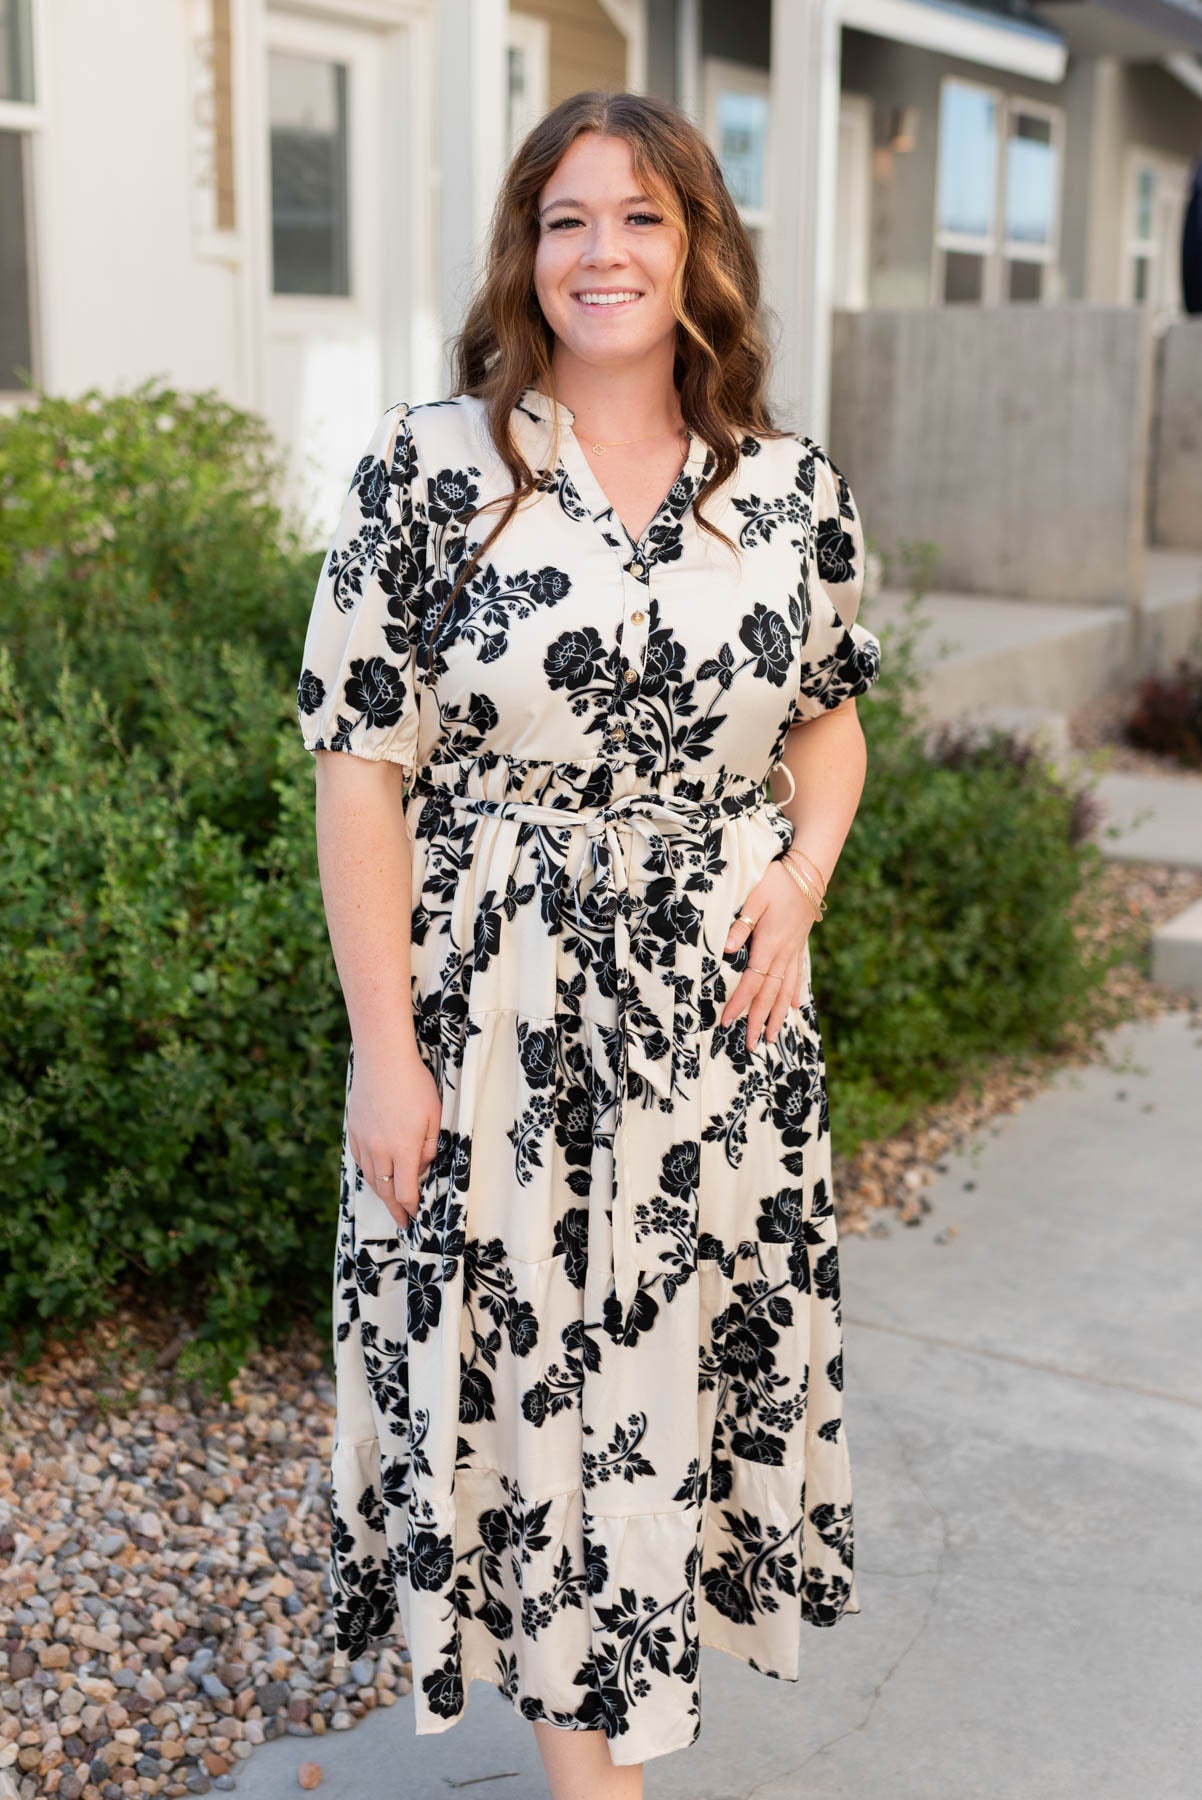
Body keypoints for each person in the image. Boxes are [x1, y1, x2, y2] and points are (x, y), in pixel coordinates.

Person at [297, 87, 880, 1800]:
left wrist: (802, 873)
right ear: (524, 254)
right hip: (493, 1022)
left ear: (697, 244)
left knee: (667, 1399)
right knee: (535, 1408)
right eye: (566, 219)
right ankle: (592, 1780)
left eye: (638, 215)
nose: (600, 251)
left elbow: (831, 724)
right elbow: (358, 784)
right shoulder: (427, 471)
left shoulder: (786, 493)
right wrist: (384, 1054)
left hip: (716, 1037)